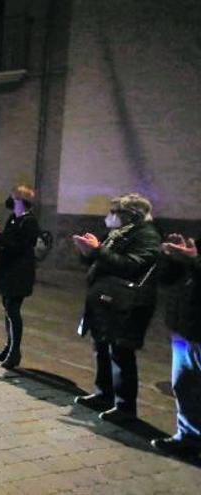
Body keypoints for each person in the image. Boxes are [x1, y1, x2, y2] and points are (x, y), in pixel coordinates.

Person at [72, 193, 160, 423]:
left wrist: (98, 250)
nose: (109, 216)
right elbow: (101, 259)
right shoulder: (118, 233)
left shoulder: (147, 235)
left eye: (114, 212)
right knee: (101, 346)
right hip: (105, 300)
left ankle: (125, 407)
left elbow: (132, 265)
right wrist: (88, 251)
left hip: (126, 304)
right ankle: (103, 395)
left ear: (131, 215)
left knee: (120, 353)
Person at [152, 233, 201, 458]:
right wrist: (171, 258)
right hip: (185, 326)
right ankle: (188, 437)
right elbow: (166, 279)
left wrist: (192, 259)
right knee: (183, 385)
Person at [0, 185, 40, 369]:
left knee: (13, 311)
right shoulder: (14, 218)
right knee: (7, 309)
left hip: (19, 271)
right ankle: (8, 348)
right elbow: (6, 241)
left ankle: (15, 352)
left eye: (13, 198)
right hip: (9, 270)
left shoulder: (29, 222)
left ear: (21, 202)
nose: (10, 202)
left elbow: (18, 246)